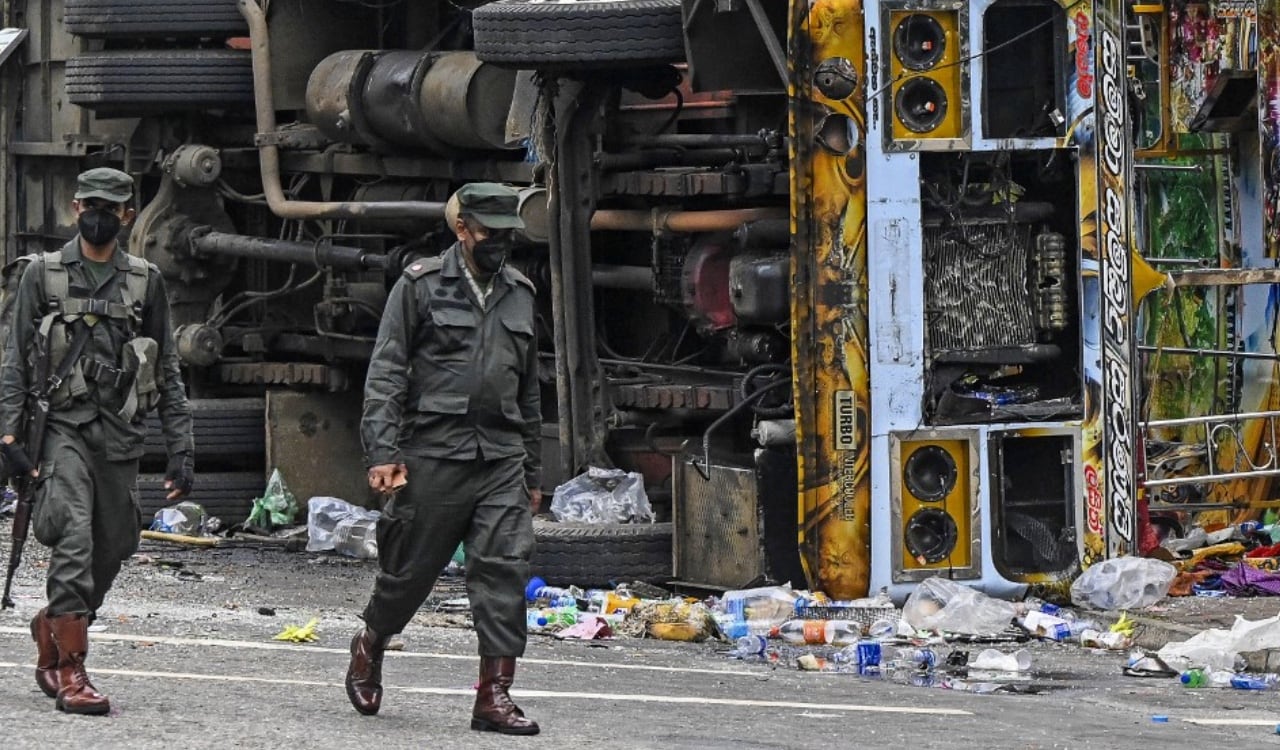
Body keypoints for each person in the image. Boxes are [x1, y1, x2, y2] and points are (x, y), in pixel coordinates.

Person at [347, 182, 542, 735]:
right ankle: (371, 642)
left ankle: (494, 696)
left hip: (500, 457)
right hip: (434, 452)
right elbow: (386, 372)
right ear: (462, 229)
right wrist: (383, 451)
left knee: (504, 569)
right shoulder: (420, 285)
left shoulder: (520, 293)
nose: (499, 244)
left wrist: (532, 470)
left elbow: (529, 388)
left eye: (507, 235)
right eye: (489, 233)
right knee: (409, 573)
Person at [0, 167, 194, 715]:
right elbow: (14, 358)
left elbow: (168, 367)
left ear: (128, 215)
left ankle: (54, 623)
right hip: (60, 427)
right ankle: (71, 669)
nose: (99, 216)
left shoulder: (145, 280)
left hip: (120, 431)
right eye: (91, 205)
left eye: (111, 208)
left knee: (116, 544)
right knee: (74, 535)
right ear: (76, 208)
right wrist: (9, 432)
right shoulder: (42, 274)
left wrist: (181, 447)